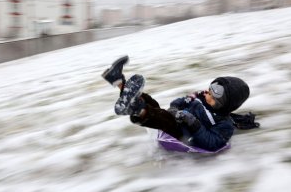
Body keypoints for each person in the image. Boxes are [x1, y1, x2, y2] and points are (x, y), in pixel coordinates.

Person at [102, 56, 250, 152]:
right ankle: (120, 83)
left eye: (212, 95)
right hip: (175, 118)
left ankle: (138, 109)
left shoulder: (225, 125)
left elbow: (212, 143)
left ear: (225, 104)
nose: (207, 93)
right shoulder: (201, 96)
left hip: (186, 136)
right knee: (154, 105)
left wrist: (194, 123)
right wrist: (175, 107)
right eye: (210, 89)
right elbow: (181, 100)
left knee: (164, 118)